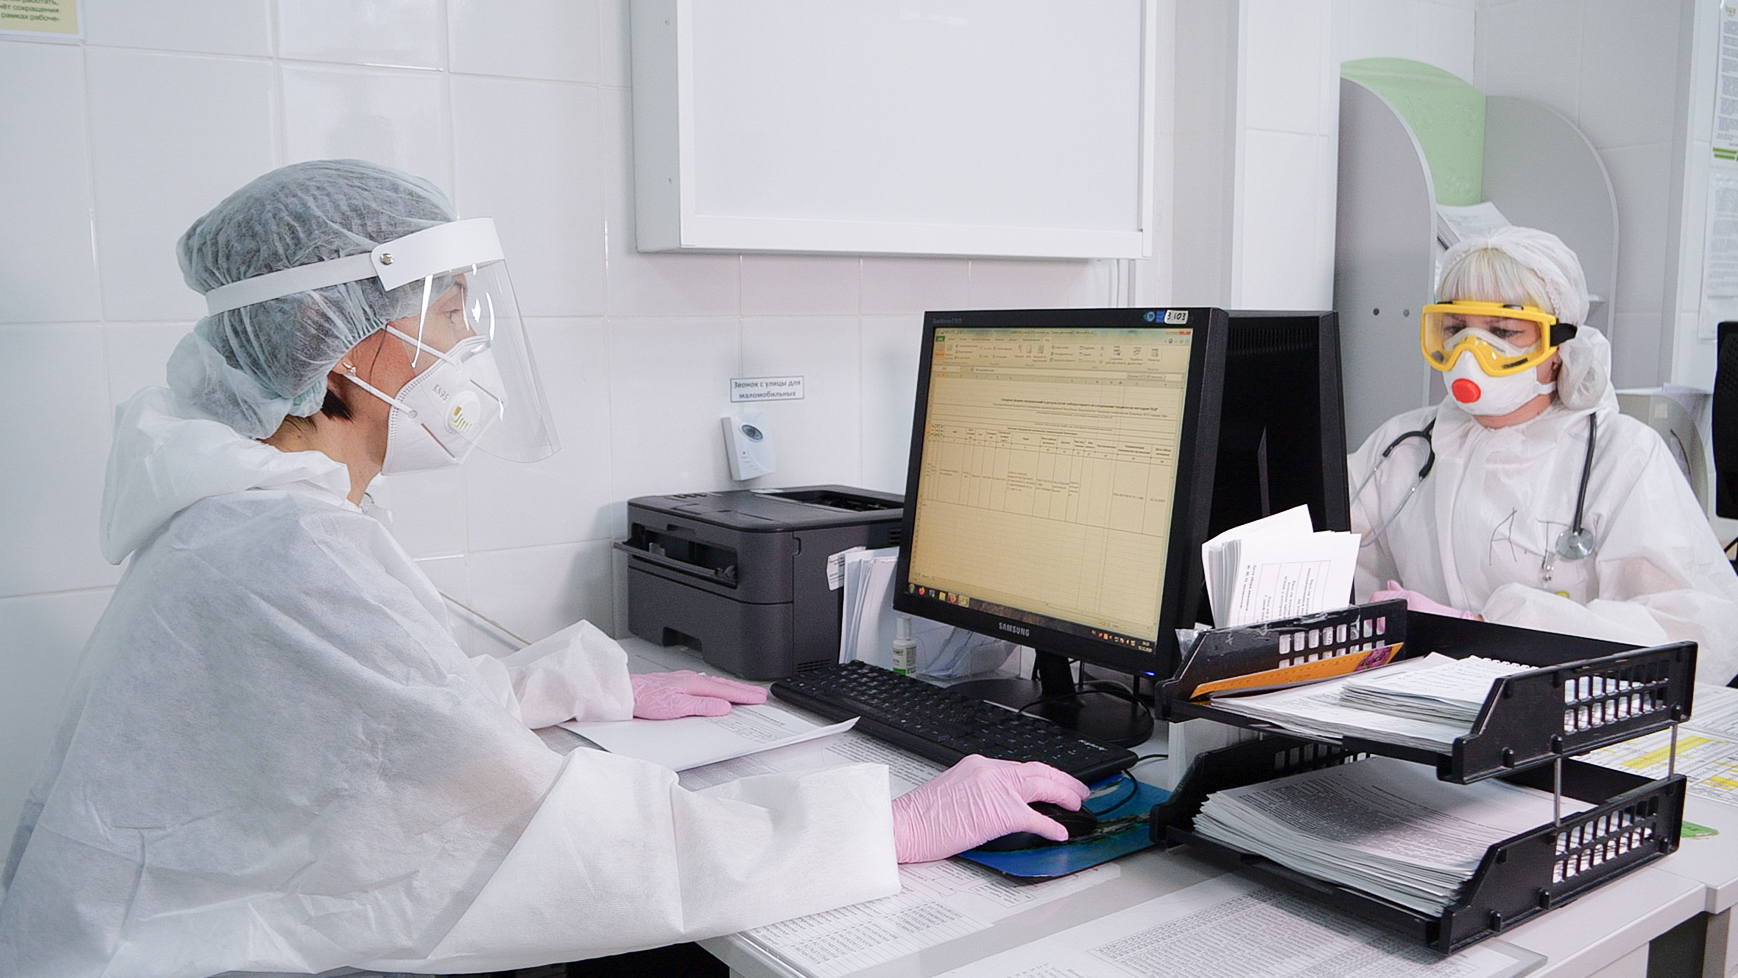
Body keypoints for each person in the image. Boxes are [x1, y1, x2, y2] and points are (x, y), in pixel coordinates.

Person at [0, 160, 1089, 978]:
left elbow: (367, 721)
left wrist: (572, 683)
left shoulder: (265, 510)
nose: (469, 345)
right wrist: (884, 828)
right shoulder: (280, 546)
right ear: (343, 342)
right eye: (450, 313)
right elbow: (542, 836)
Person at [1349, 225, 1738, 685]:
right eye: (1454, 328)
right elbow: (1325, 562)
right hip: (1415, 702)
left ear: (1559, 346)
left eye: (1504, 331)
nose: (1470, 351)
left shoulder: (1623, 456)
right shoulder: (1403, 443)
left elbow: (1698, 634)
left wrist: (1487, 630)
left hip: (1563, 708)